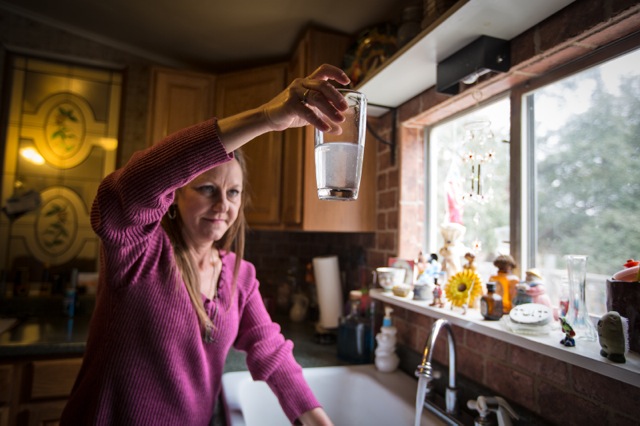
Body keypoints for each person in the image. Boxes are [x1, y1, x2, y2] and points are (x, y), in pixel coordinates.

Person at [60, 64, 351, 425]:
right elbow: (125, 193)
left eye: (233, 193)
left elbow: (271, 352)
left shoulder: (240, 276)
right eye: (207, 189)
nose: (223, 206)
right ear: (175, 195)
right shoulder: (139, 250)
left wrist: (317, 420)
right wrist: (265, 118)